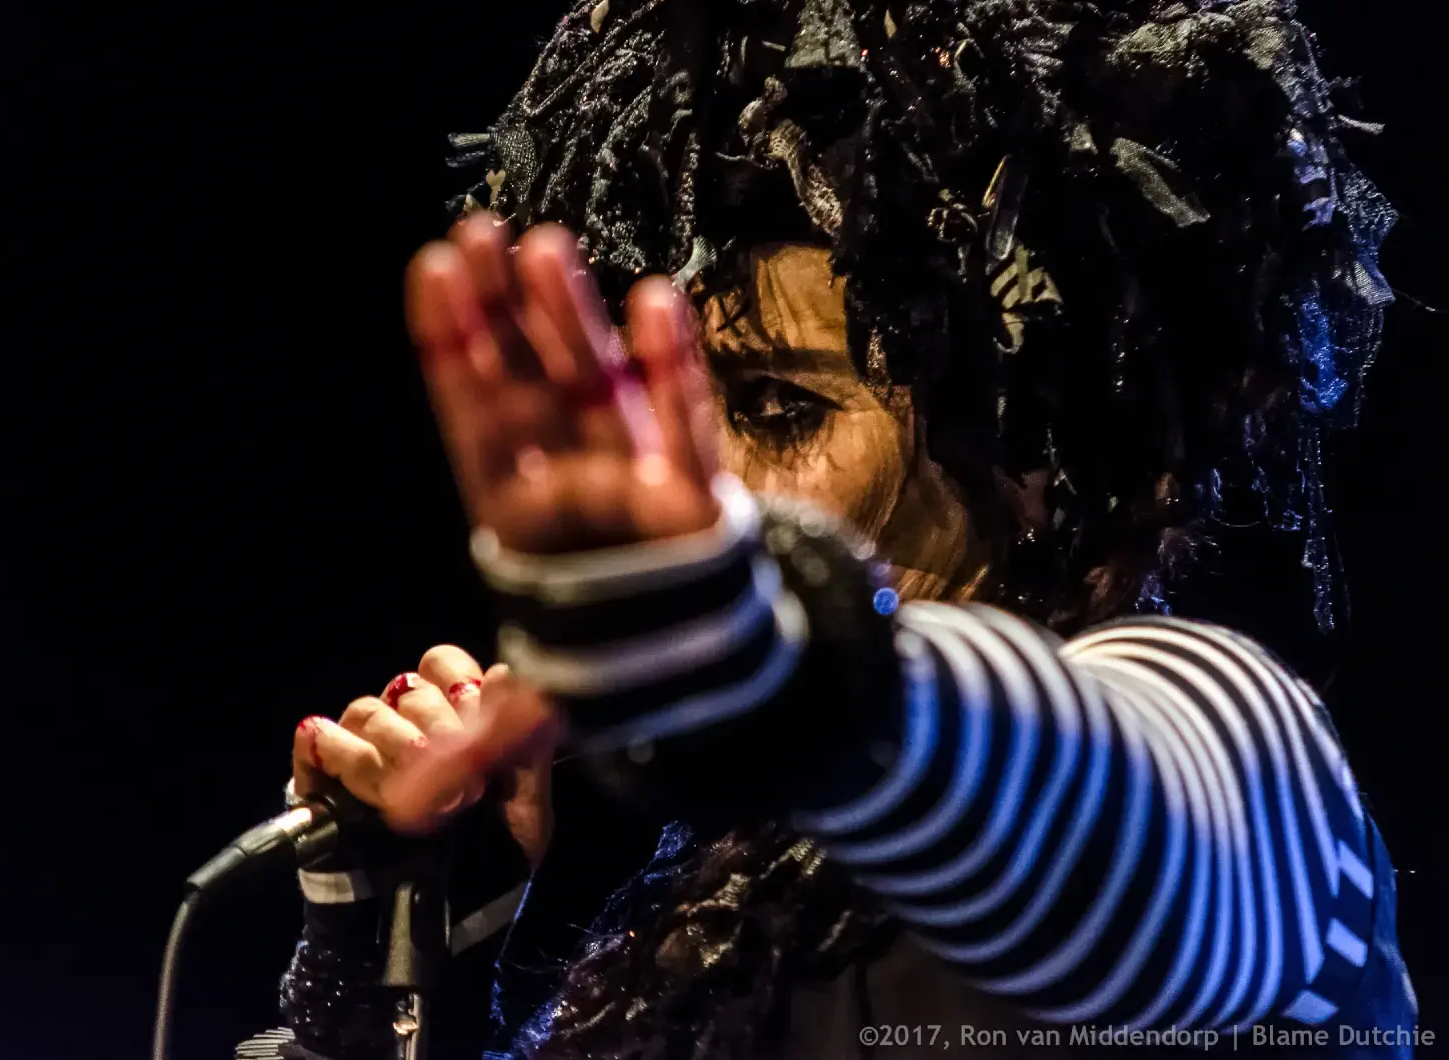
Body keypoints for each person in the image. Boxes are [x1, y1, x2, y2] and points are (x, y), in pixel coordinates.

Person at [244, 1, 1417, 1057]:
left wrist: (795, 658)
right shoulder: (722, 897)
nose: (702, 482)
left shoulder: (1249, 775)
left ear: (1042, 455)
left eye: (778, 406)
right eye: (679, 405)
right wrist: (401, 963)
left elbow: (1135, 830)